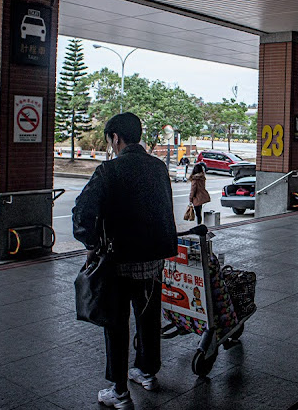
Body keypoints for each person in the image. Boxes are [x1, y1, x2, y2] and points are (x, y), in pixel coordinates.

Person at [73, 113, 178, 409]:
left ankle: (118, 391)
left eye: (110, 140)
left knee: (116, 324)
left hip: (118, 263)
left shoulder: (109, 171)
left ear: (115, 138)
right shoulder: (158, 168)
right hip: (153, 261)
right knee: (148, 317)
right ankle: (146, 371)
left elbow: (83, 213)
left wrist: (92, 243)